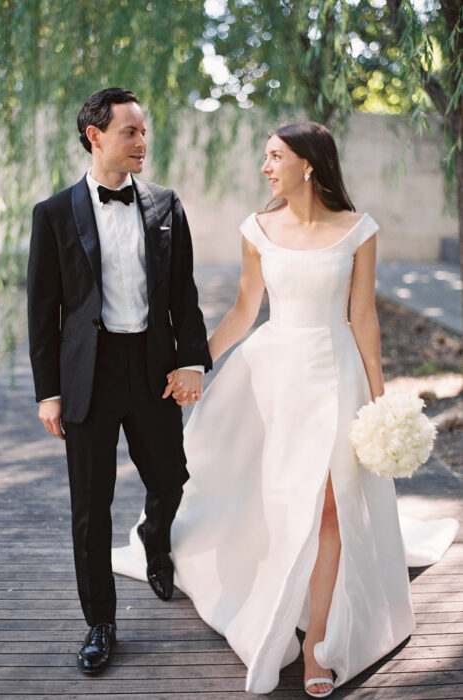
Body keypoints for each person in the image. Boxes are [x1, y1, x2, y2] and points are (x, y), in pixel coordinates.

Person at [112, 122, 458, 695]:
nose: (266, 167)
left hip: (336, 375)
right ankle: (273, 593)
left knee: (330, 507)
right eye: (266, 157)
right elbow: (245, 309)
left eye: (275, 156)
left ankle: (318, 641)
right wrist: (196, 363)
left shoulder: (358, 230)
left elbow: (363, 318)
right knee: (281, 500)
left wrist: (380, 400)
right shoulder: (258, 228)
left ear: (309, 164)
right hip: (272, 379)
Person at [27, 87, 212, 675]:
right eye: (129, 131)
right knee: (91, 505)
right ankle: (100, 623)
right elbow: (43, 311)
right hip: (89, 372)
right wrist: (48, 391)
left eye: (143, 131)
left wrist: (192, 359)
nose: (141, 142)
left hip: (153, 367)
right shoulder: (54, 214)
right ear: (95, 136)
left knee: (171, 476)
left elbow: (183, 292)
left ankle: (156, 538)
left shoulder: (165, 205)